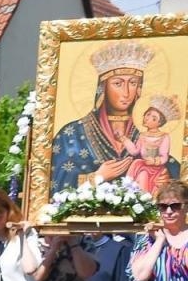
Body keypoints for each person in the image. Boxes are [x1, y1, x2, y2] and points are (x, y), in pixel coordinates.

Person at [50, 40, 177, 192]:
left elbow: (173, 170)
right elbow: (56, 182)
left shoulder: (147, 133)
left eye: (133, 83)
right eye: (118, 83)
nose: (126, 93)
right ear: (103, 87)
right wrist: (97, 177)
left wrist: (166, 177)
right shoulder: (72, 134)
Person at [125, 98, 177, 195]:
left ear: (159, 123)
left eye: (154, 118)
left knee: (144, 177)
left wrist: (154, 161)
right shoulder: (142, 135)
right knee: (142, 175)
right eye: (148, 114)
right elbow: (135, 151)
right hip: (142, 165)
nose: (147, 118)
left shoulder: (164, 136)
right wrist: (125, 140)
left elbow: (164, 156)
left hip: (156, 169)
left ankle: (144, 199)